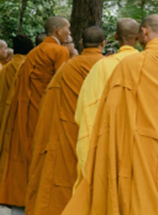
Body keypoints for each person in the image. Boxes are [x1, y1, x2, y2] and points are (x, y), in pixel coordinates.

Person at [62, 15, 158, 215]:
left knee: (137, 201)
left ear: (143, 32)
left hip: (134, 149)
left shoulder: (127, 65)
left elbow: (112, 113)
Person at [26, 26, 106, 214]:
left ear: (81, 43)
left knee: (62, 173)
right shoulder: (106, 66)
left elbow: (48, 99)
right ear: (103, 43)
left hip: (65, 127)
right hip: (92, 131)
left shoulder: (67, 67)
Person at [0, 16, 70, 205]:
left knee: (26, 152)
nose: (69, 33)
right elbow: (60, 84)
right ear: (58, 31)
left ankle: (20, 195)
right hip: (46, 110)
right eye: (67, 29)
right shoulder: (59, 51)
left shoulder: (33, 53)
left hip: (27, 110)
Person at [73, 18, 140, 189]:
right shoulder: (148, 64)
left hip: (108, 142)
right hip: (140, 144)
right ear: (138, 37)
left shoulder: (101, 66)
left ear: (116, 37)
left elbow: (84, 111)